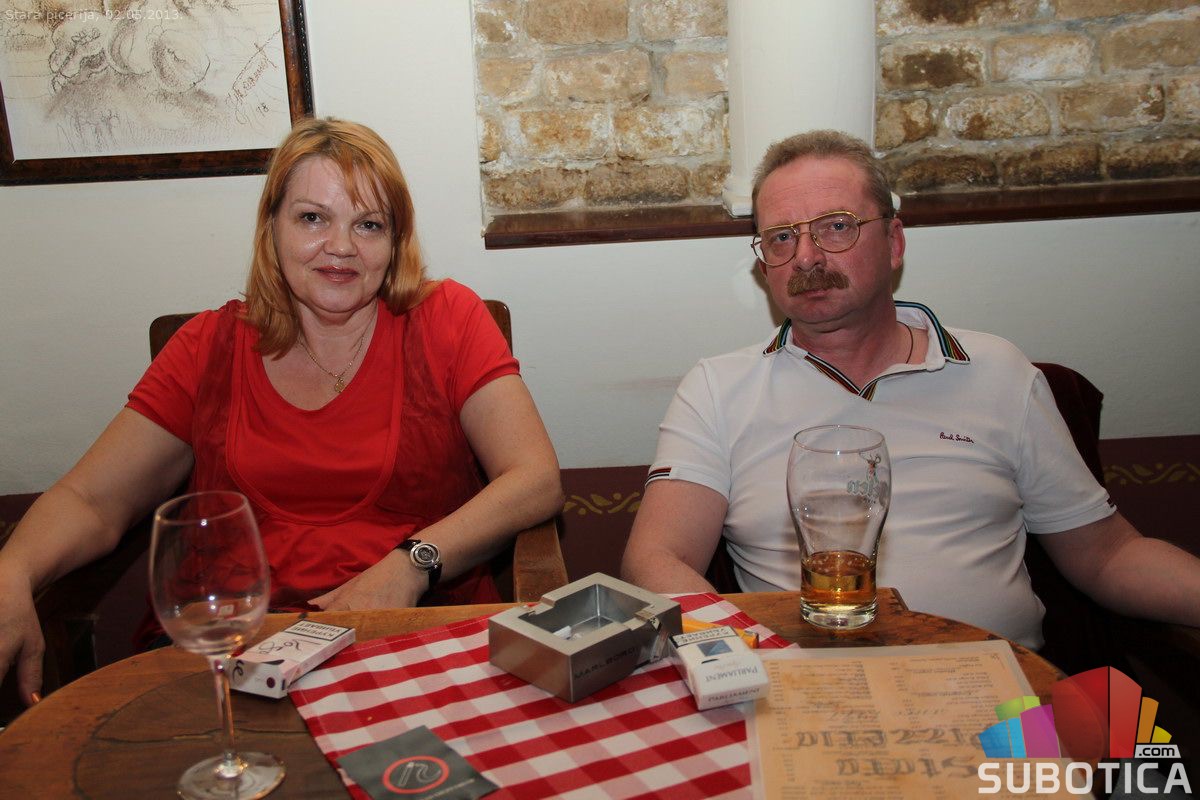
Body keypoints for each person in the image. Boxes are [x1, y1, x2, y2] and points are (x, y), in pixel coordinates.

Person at [0, 117, 563, 705]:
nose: (341, 246)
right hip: (233, 650)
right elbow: (92, 500)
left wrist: (410, 566)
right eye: (313, 218)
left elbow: (535, 478)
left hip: (409, 634)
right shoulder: (206, 347)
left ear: (396, 240)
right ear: (272, 227)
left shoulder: (447, 319)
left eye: (369, 224)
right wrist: (12, 570)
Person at [622, 129, 1200, 650]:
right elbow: (655, 559)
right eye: (780, 237)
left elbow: (1109, 555)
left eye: (836, 226)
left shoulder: (998, 371)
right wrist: (752, 661)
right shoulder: (719, 389)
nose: (806, 256)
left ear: (894, 242)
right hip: (811, 693)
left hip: (1001, 693)